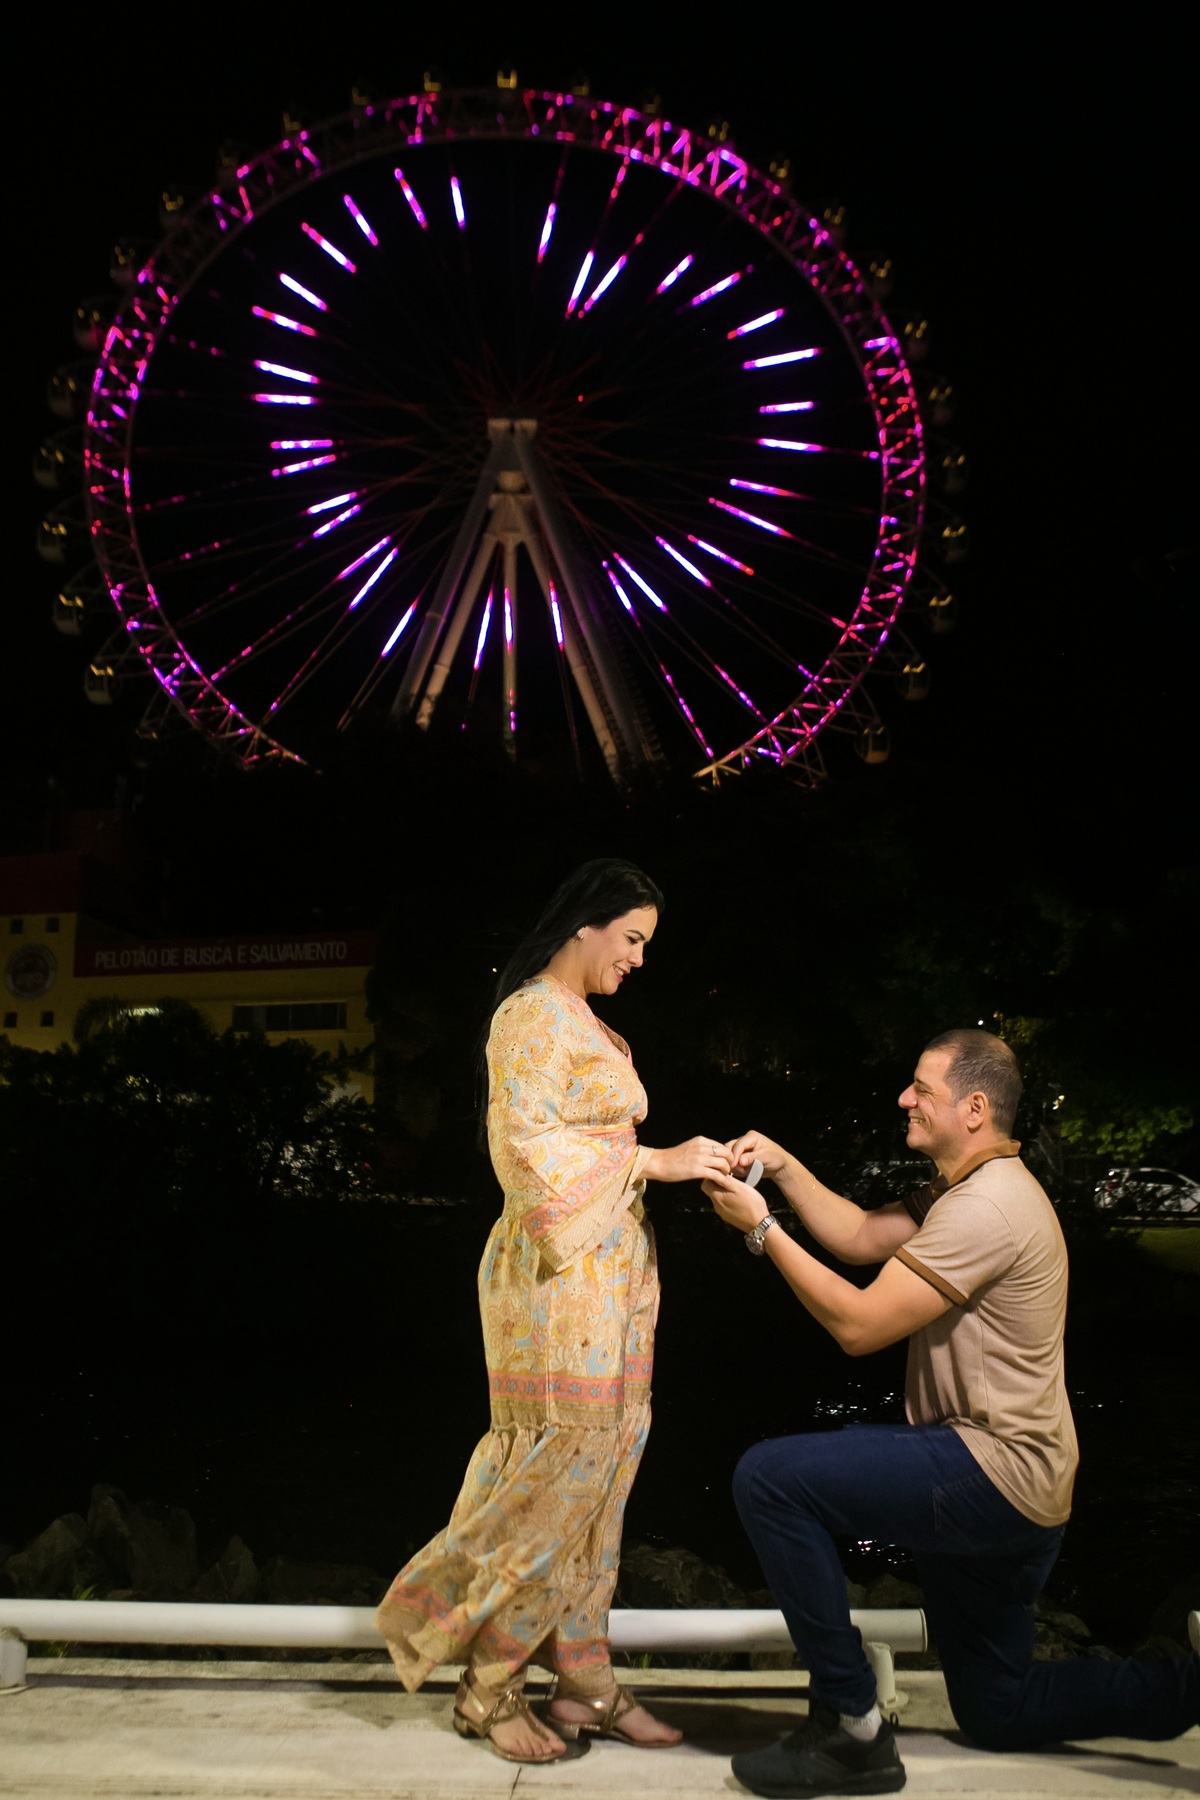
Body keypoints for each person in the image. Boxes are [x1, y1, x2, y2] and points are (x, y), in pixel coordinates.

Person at [704, 1028, 1198, 1799]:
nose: (904, 1098)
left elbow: (860, 1327)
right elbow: (864, 1238)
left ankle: (851, 1729)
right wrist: (790, 1168)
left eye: (920, 1089)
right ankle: (1185, 1691)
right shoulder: (966, 1190)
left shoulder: (988, 1210)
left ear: (972, 1108)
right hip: (1029, 1487)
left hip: (990, 1472)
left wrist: (762, 1229)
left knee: (770, 1480)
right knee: (998, 1710)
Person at [376, 858, 731, 1764]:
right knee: (559, 1472)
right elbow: (525, 1153)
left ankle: (584, 1679)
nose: (640, 960)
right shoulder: (530, 1016)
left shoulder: (586, 1023)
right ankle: (484, 1685)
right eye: (633, 939)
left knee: (605, 1472)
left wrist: (666, 1167)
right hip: (553, 1269)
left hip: (612, 1271)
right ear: (586, 925)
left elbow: (591, 1141)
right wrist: (658, 1161)